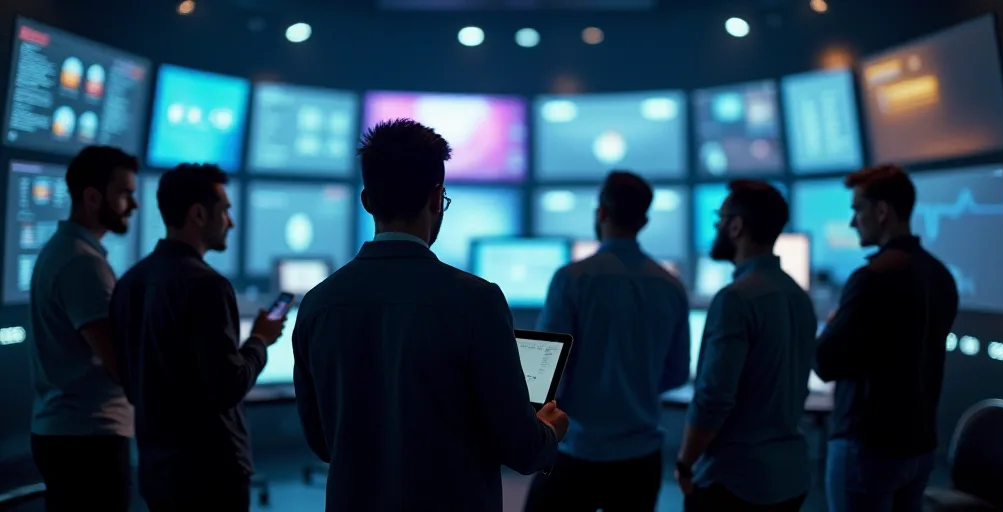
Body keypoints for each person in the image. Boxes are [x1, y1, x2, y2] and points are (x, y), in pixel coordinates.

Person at [292, 118, 568, 512]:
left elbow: (322, 442)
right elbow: (523, 451)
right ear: (437, 198)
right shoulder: (478, 302)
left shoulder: (318, 305)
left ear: (367, 201)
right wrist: (549, 432)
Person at [109, 164, 286, 512]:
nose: (231, 223)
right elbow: (228, 387)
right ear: (198, 214)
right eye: (225, 212)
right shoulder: (207, 285)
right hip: (211, 475)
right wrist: (260, 341)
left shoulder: (129, 283)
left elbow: (131, 383)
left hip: (158, 473)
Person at [523, 171, 690, 512]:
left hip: (576, 450)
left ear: (600, 213)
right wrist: (633, 387)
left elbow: (546, 371)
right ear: (644, 220)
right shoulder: (671, 286)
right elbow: (677, 373)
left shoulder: (571, 279)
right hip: (641, 458)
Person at [816, 164, 958, 512]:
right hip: (920, 447)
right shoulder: (941, 275)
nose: (852, 222)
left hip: (867, 447)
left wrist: (832, 325)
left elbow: (824, 363)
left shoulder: (870, 279)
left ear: (881, 212)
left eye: (857, 210)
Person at [677, 180, 817, 512]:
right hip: (790, 479)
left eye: (720, 217)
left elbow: (714, 398)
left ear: (737, 226)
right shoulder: (799, 297)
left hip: (736, 482)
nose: (716, 225)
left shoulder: (735, 299)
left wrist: (685, 461)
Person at [27, 146, 138, 512]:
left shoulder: (64, 251)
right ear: (92, 197)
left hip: (71, 432)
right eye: (124, 193)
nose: (132, 205)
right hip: (88, 436)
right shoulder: (82, 264)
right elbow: (118, 362)